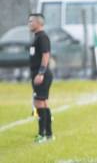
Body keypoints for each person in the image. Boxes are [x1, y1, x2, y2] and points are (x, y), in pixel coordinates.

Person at [28, 13, 54, 143]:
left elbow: (46, 55)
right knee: (42, 103)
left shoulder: (42, 37)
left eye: (31, 21)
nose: (29, 24)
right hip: (37, 74)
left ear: (39, 23)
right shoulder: (36, 37)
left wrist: (41, 73)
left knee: (38, 103)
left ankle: (42, 134)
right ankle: (48, 134)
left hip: (41, 74)